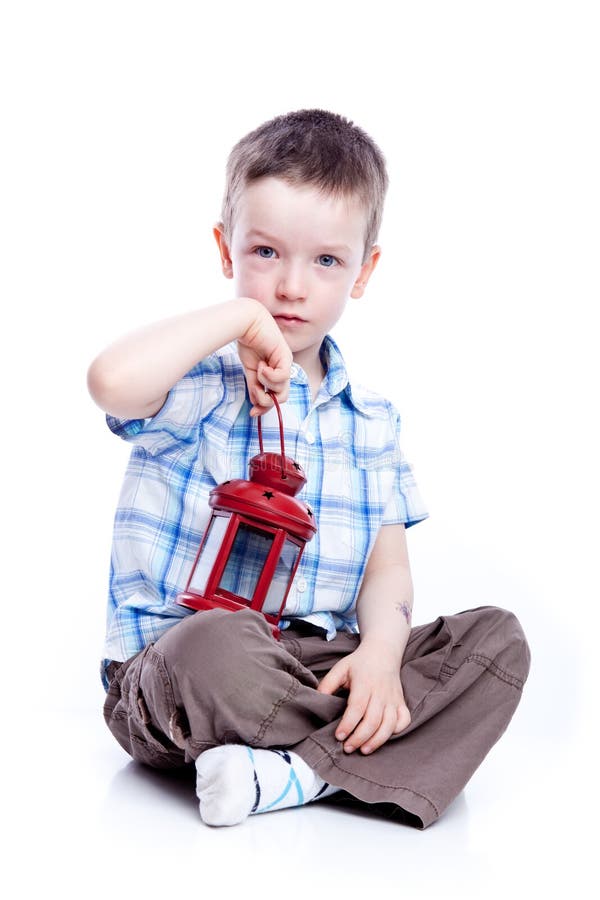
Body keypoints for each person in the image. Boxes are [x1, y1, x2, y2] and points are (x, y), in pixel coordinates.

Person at [88, 109, 530, 828]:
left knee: (497, 641)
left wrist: (384, 657)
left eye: (325, 261)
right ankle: (370, 757)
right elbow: (110, 380)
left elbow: (388, 570)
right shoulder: (197, 381)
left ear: (364, 271)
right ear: (225, 249)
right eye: (265, 252)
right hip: (182, 668)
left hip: (317, 660)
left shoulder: (372, 421)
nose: (291, 287)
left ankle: (291, 776)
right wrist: (237, 323)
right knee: (217, 642)